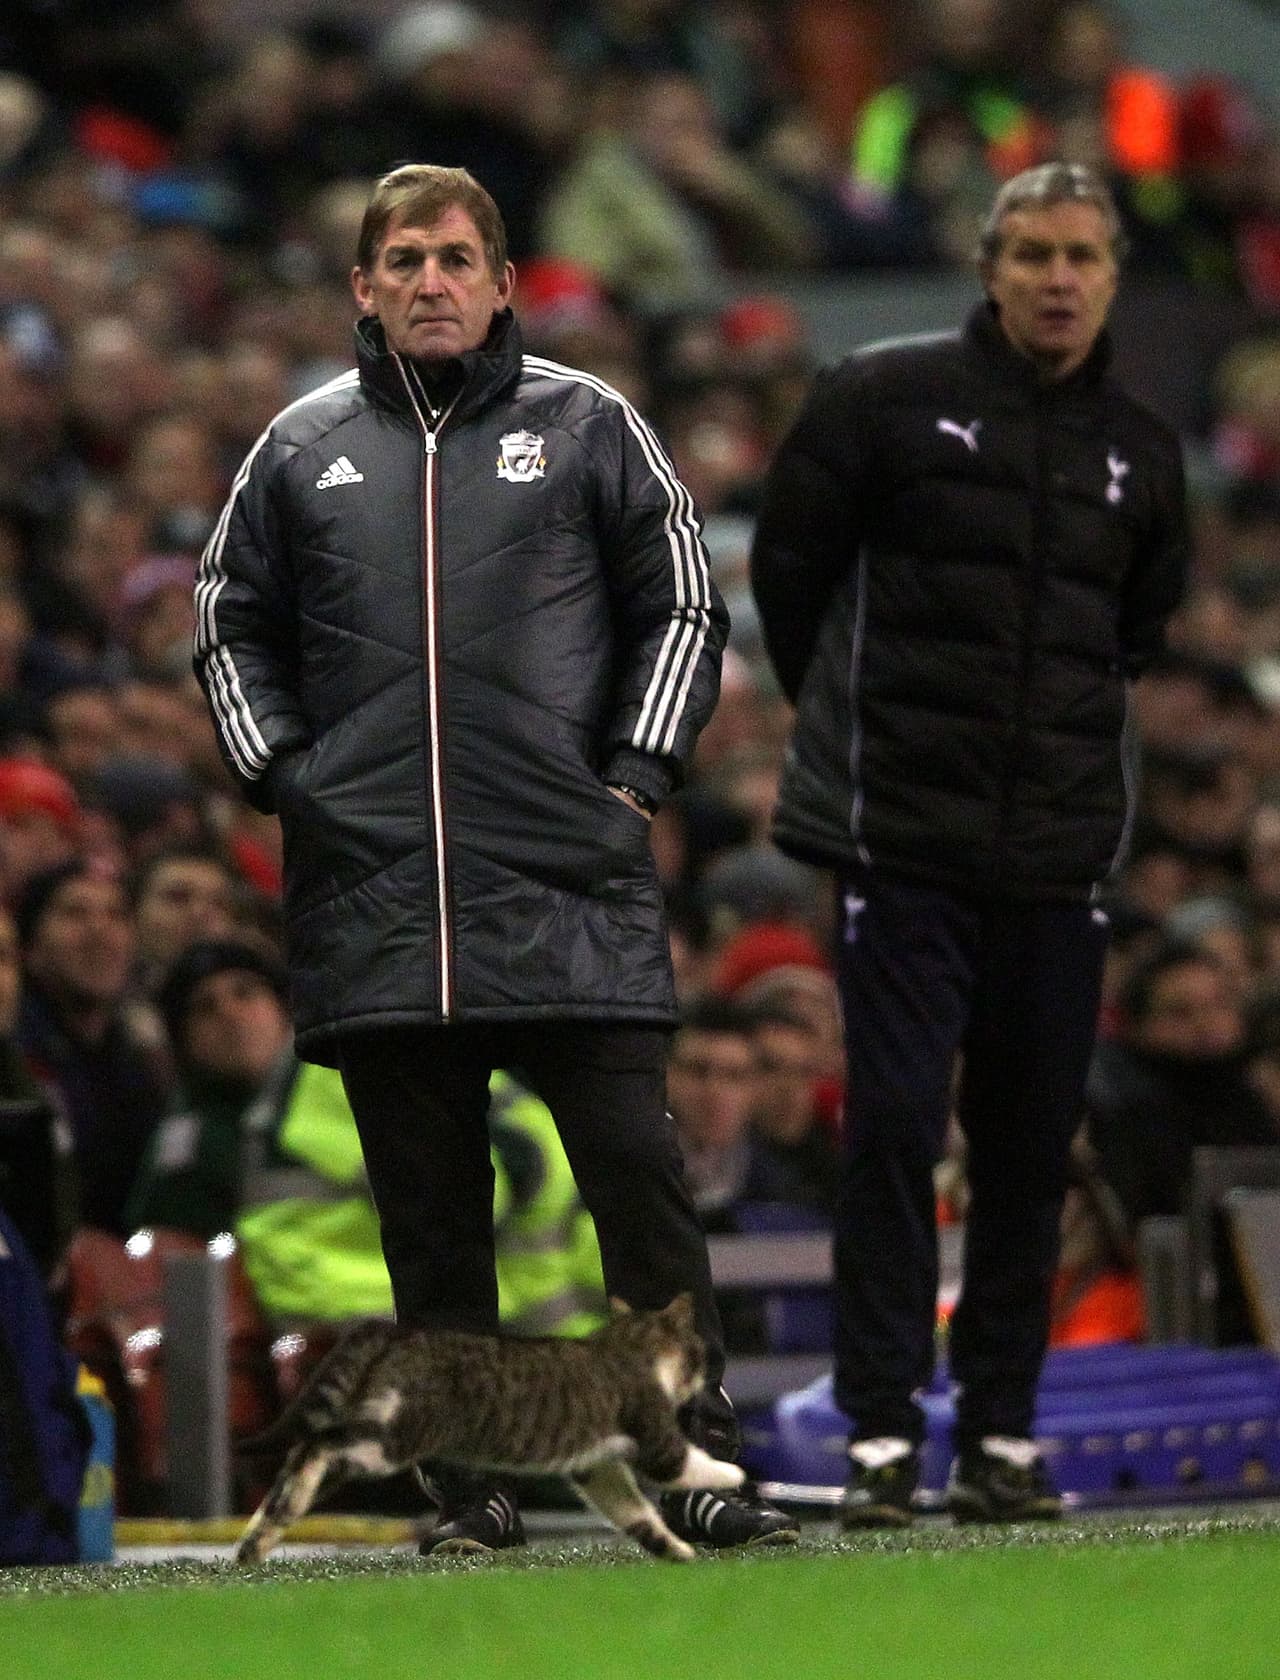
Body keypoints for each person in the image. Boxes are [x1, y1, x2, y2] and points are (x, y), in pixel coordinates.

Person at [192, 162, 796, 1554]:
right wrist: (290, 780)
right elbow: (229, 626)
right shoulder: (295, 451)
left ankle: (701, 1455)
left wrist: (635, 778)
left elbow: (687, 601)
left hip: (567, 873)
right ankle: (471, 1494)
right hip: (379, 887)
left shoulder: (591, 426)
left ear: (505, 281)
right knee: (430, 1219)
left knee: (638, 1186)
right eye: (402, 260)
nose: (429, 282)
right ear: (363, 288)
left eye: (456, 258)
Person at [750, 162, 1189, 1528]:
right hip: (903, 841)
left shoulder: (1142, 449)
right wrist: (863, 740)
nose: (1060, 279)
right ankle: (884, 1426)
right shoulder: (881, 399)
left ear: (1114, 276)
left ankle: (999, 1429)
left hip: (1057, 856)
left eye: (1084, 256)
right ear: (989, 268)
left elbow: (1136, 633)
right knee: (889, 1128)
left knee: (1026, 1145)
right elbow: (789, 578)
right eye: (1036, 254)